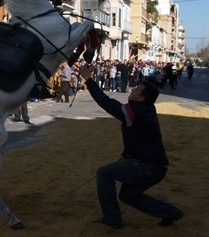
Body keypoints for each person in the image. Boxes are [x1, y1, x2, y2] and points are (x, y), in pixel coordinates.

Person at [77, 64, 183, 230]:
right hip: (156, 166)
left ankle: (112, 218)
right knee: (127, 196)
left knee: (104, 173)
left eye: (136, 90)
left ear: (141, 98)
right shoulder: (145, 109)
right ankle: (170, 212)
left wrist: (88, 79)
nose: (132, 89)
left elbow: (106, 103)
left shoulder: (136, 110)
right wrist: (126, 154)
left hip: (148, 166)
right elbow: (140, 138)